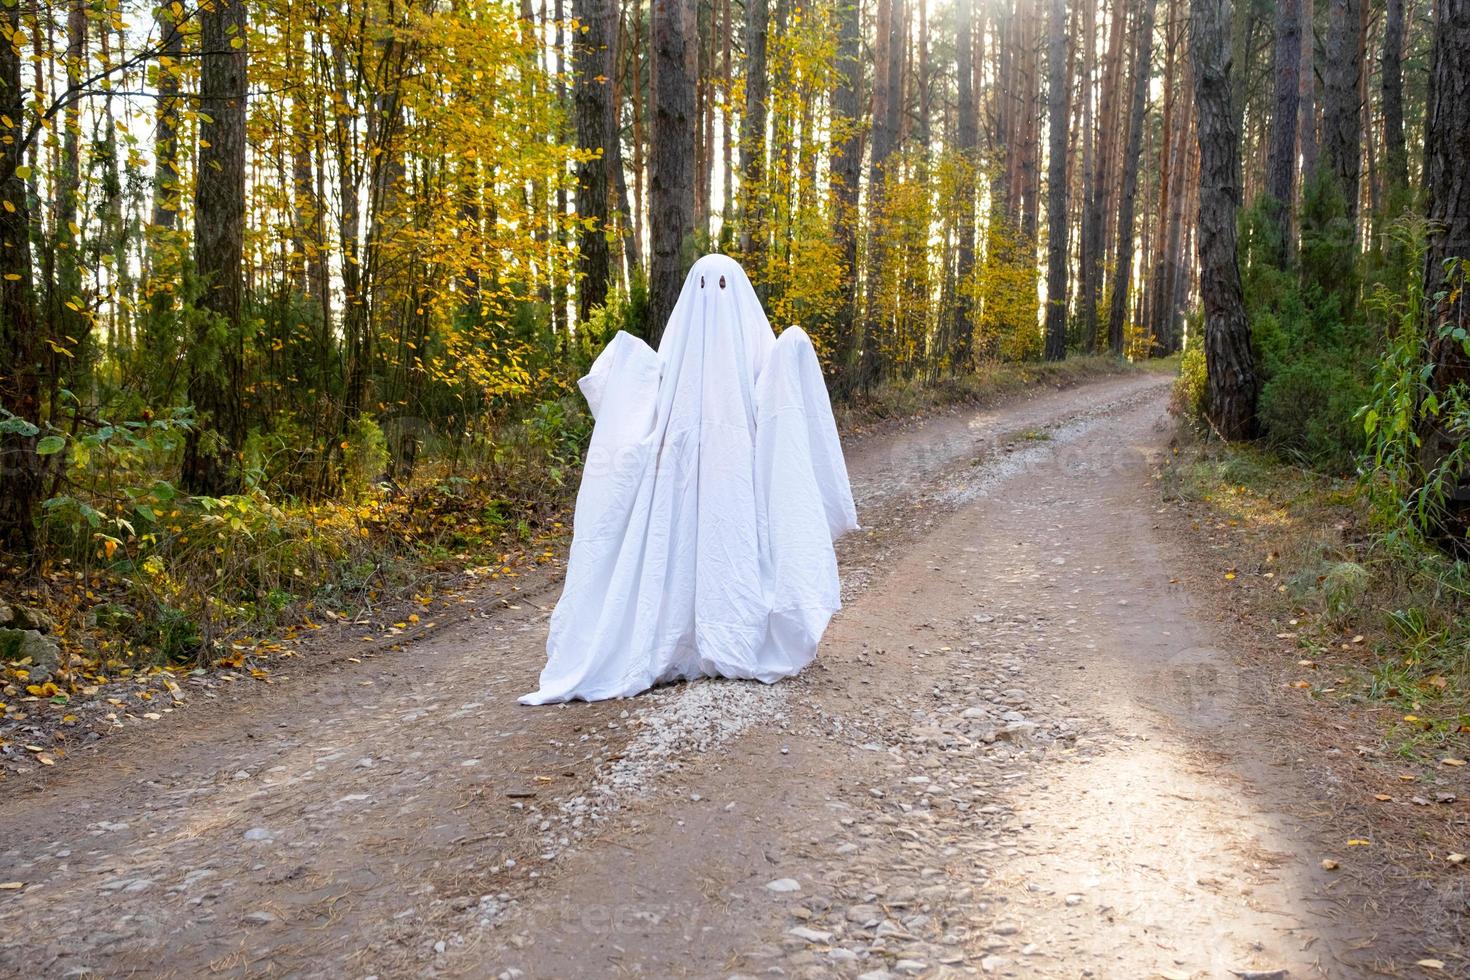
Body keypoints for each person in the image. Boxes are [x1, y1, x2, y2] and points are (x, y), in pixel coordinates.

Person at [520, 254, 857, 705]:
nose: (712, 302)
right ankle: (680, 635)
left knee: (728, 545)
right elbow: (638, 414)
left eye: (721, 288)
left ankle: (728, 631)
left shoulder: (757, 366)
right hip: (675, 488)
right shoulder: (672, 371)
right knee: (674, 545)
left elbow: (783, 421)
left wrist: (791, 354)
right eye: (703, 288)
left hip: (738, 487)